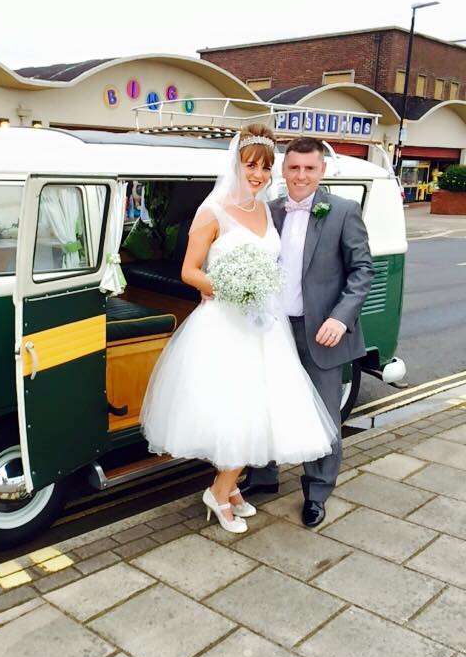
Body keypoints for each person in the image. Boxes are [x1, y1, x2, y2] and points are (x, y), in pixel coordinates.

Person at [140, 125, 337, 534]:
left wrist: (259, 292)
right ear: (236, 164)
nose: (258, 175)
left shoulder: (267, 210)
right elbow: (190, 271)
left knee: (260, 410)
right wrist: (232, 289)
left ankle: (228, 489)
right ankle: (218, 492)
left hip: (265, 327)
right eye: (251, 165)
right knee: (238, 410)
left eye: (265, 167)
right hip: (226, 326)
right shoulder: (211, 211)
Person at [242, 136, 374, 527]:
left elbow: (362, 270)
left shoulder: (344, 211)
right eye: (294, 168)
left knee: (323, 417)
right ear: (284, 170)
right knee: (266, 404)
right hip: (272, 329)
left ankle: (317, 492)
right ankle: (263, 475)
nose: (301, 175)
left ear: (322, 170)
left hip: (322, 332)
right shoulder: (268, 211)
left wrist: (340, 317)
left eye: (309, 168)